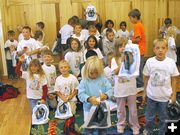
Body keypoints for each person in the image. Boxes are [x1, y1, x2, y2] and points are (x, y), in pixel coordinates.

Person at [142, 38, 179, 135]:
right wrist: (144, 92)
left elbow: (174, 78)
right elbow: (145, 77)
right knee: (149, 117)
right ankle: (148, 130)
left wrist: (174, 94)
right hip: (151, 96)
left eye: (163, 48)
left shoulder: (170, 62)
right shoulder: (150, 61)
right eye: (157, 48)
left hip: (165, 97)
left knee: (164, 117)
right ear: (153, 49)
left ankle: (162, 132)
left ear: (167, 49)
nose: (160, 50)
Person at [111, 38, 140, 134]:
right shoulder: (114, 59)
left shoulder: (133, 58)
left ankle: (135, 126)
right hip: (120, 90)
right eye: (120, 46)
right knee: (120, 110)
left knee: (133, 110)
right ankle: (121, 124)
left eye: (125, 46)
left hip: (131, 88)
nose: (123, 48)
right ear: (116, 48)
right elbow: (115, 72)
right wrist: (122, 62)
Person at [78, 56, 113, 134]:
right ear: (87, 71)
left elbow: (110, 90)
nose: (94, 75)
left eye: (96, 72)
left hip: (102, 110)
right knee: (89, 129)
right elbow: (80, 95)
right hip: (89, 110)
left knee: (103, 128)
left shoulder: (103, 79)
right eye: (91, 73)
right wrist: (89, 98)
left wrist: (106, 95)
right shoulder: (84, 81)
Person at [128, 8, 146, 90]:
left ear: (135, 17)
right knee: (139, 67)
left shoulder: (137, 25)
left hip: (140, 50)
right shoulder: (140, 24)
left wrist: (129, 40)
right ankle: (140, 83)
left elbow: (138, 39)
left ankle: (140, 85)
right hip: (141, 50)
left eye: (130, 18)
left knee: (138, 67)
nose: (130, 20)